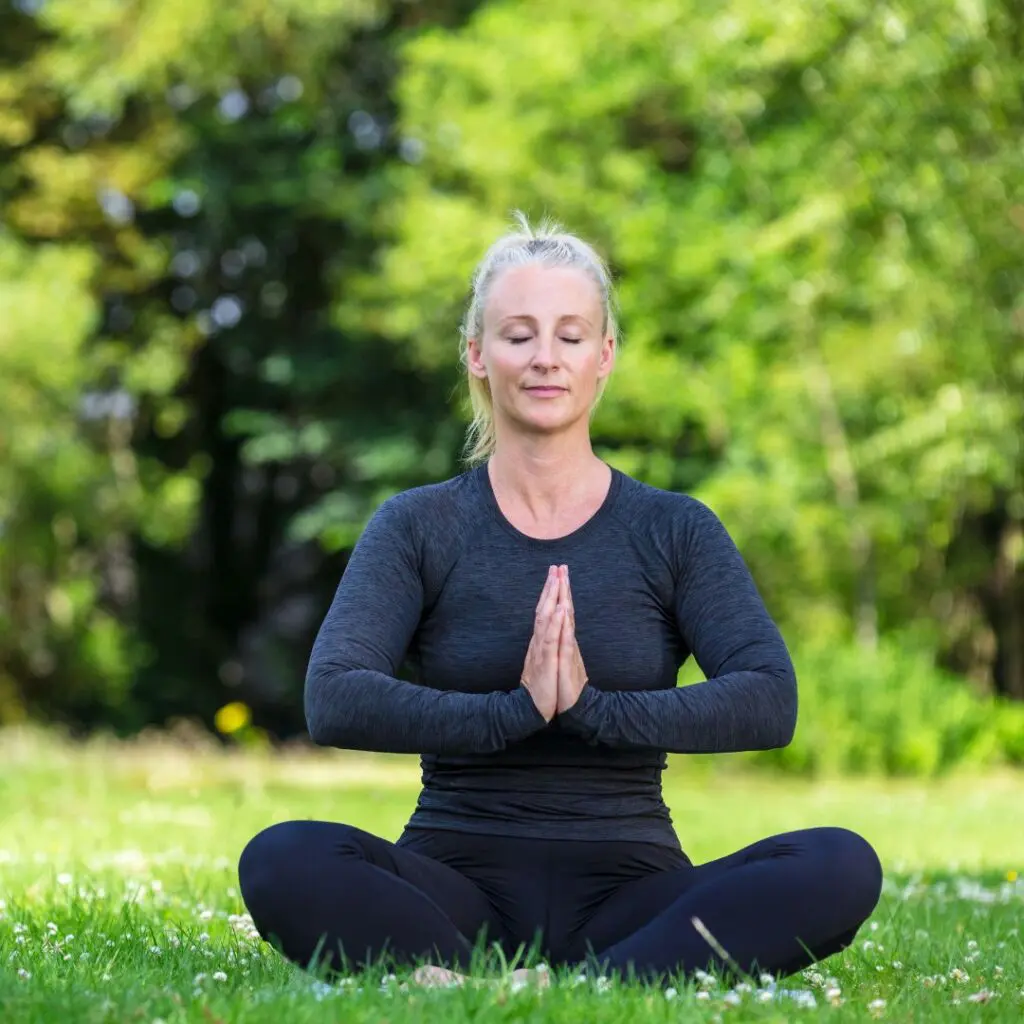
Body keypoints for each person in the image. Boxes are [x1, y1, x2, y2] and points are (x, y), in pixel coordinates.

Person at [237, 213, 883, 988]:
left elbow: (768, 700)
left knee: (840, 863)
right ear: (477, 354)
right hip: (454, 884)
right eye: (518, 334)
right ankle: (510, 972)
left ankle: (584, 984)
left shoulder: (673, 529)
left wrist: (590, 707)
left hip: (631, 893)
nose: (546, 357)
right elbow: (334, 697)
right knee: (280, 856)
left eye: (571, 335)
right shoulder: (418, 525)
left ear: (604, 356)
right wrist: (516, 711)